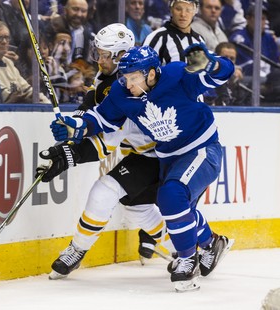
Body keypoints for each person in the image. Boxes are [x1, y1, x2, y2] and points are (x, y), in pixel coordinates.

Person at [49, 42, 235, 292]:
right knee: (177, 207)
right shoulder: (121, 92)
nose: (128, 84)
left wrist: (213, 63)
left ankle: (188, 260)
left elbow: (222, 73)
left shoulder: (178, 75)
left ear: (151, 73)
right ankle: (212, 243)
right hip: (168, 157)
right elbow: (102, 119)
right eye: (124, 78)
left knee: (171, 194)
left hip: (201, 149)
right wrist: (77, 126)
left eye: (133, 78)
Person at [37, 23, 174, 280]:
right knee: (136, 207)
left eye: (104, 55)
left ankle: (77, 249)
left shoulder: (125, 87)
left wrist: (71, 153)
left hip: (161, 156)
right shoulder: (112, 77)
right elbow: (91, 106)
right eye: (97, 53)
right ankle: (185, 250)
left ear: (121, 55)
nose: (99, 60)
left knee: (104, 192)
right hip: (144, 154)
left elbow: (106, 143)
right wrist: (72, 129)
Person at [0, 20, 50, 103]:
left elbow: (27, 89)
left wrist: (49, 106)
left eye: (6, 37)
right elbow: (5, 95)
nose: (4, 42)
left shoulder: (8, 63)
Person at [229, 5, 280, 87]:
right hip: (247, 79)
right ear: (248, 19)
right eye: (258, 18)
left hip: (269, 79)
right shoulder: (238, 39)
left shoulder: (269, 38)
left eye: (263, 18)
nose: (261, 22)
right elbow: (246, 66)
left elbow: (275, 62)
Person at [143, 0, 204, 65]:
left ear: (195, 12)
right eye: (178, 9)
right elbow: (141, 70)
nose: (183, 14)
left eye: (188, 10)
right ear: (171, 9)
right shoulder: (156, 38)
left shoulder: (199, 40)